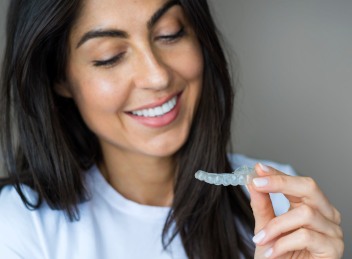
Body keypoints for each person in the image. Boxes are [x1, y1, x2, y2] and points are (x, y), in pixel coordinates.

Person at [0, 0, 343, 258]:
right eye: (109, 56)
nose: (157, 76)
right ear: (59, 77)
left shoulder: (284, 205)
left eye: (170, 33)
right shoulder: (20, 225)